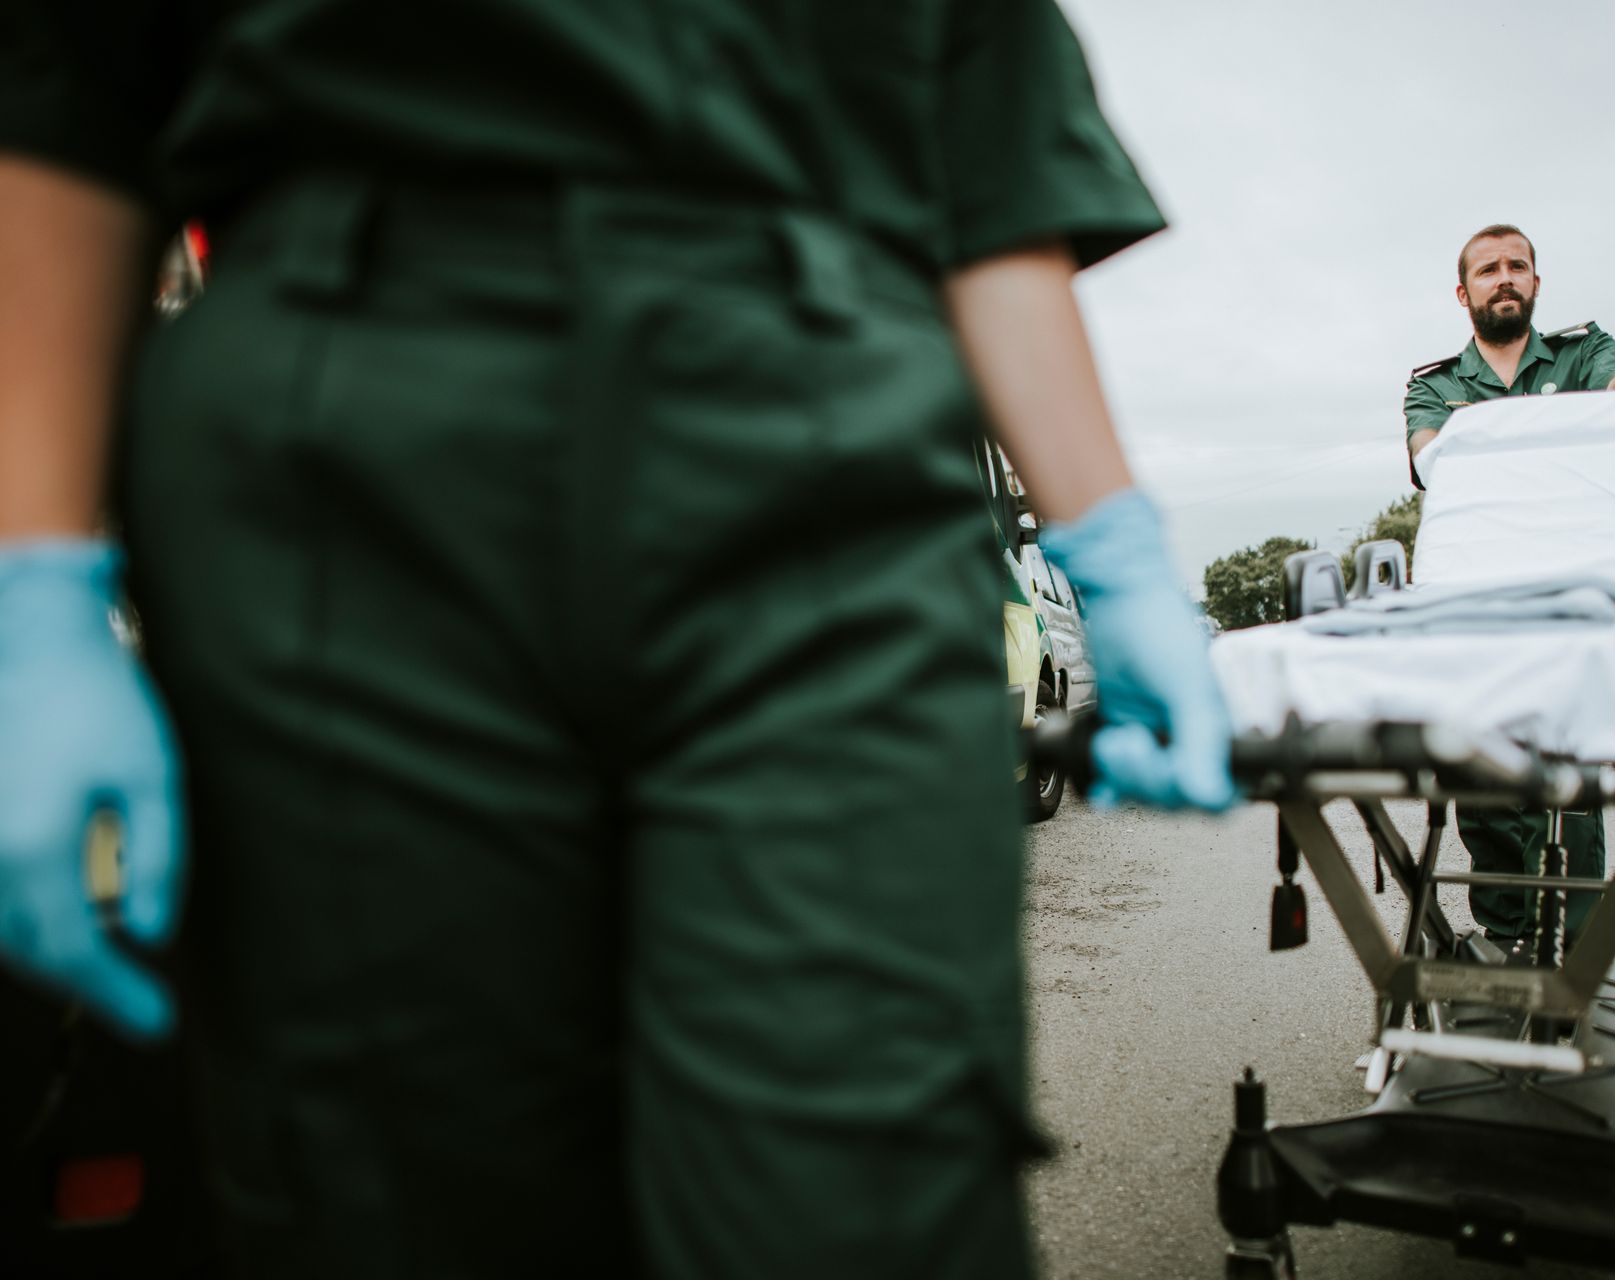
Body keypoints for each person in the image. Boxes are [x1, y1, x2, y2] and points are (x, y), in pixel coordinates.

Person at [0, 3, 1233, 1275]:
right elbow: (70, 101)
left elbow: (988, 154)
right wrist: (32, 577)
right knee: (404, 1190)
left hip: (819, 424)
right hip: (346, 423)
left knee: (867, 1184)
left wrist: (1111, 542)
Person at [1402, 223, 1615, 949]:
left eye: (1517, 265)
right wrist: (1569, 438)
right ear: (1464, 293)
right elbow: (1436, 462)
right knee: (1483, 784)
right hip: (1476, 610)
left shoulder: (1587, 352)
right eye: (1487, 269)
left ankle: (1574, 949)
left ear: (1537, 282)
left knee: (1567, 785)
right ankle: (1507, 935)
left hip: (1572, 599)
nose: (1505, 277)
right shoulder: (1435, 386)